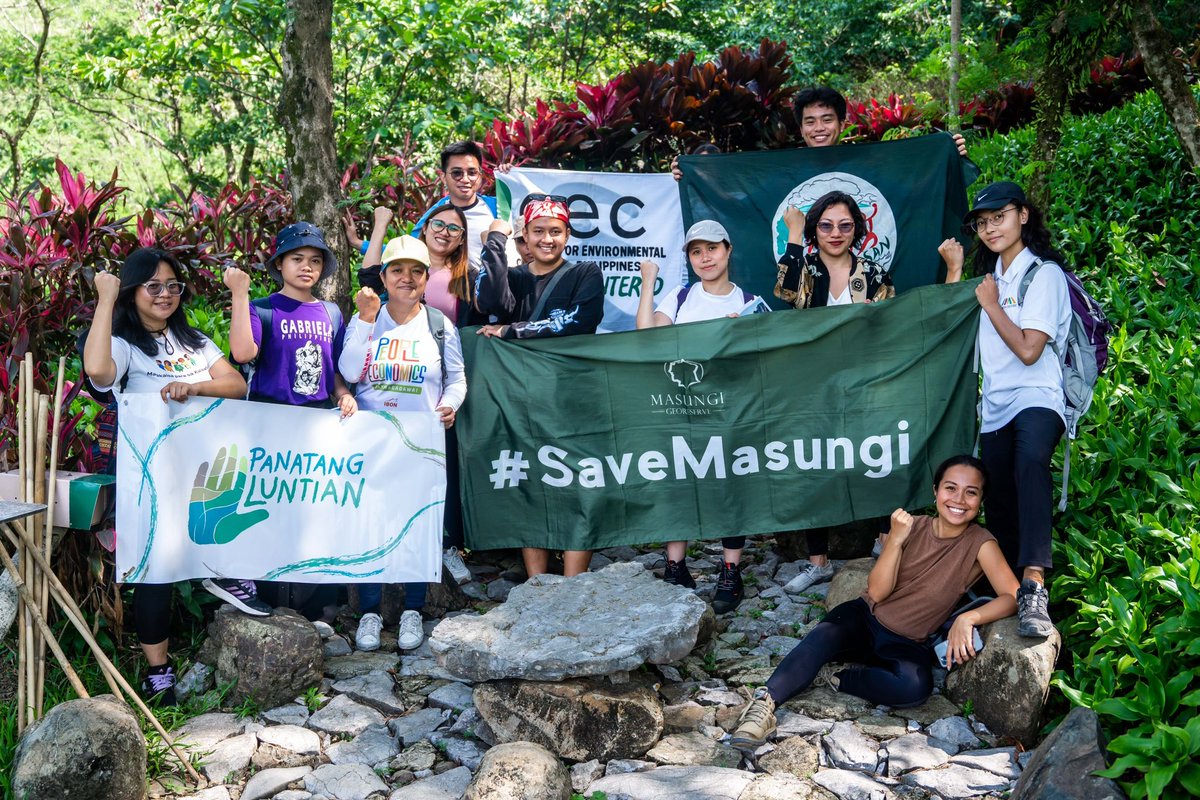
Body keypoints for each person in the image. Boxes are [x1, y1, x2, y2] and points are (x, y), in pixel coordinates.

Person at [731, 455, 1020, 748]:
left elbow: (1013, 596)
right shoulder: (911, 526)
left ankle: (835, 676)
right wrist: (894, 540)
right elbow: (878, 593)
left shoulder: (981, 543)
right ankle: (763, 705)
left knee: (914, 689)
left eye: (971, 492)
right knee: (822, 637)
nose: (959, 499)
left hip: (906, 642)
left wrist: (968, 618)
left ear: (981, 499)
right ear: (935, 491)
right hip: (864, 618)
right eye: (950, 488)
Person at [83, 247, 255, 704]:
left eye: (173, 286)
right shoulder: (122, 345)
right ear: (132, 290)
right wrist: (105, 300)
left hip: (202, 473)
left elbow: (235, 384)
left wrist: (195, 386)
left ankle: (225, 578)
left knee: (217, 533)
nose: (165, 294)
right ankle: (158, 670)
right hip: (151, 479)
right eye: (153, 286)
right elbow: (98, 371)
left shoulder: (193, 341)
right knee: (155, 568)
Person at [940, 181, 1070, 638]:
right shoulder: (987, 279)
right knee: (997, 493)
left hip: (1038, 397)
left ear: (1023, 216)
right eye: (983, 221)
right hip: (994, 407)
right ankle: (1009, 589)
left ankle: (1034, 584)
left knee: (1031, 462)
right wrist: (957, 271)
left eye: (1000, 217)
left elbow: (1030, 350)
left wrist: (993, 306)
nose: (991, 227)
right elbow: (951, 324)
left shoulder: (1045, 275)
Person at [338, 234, 467, 652]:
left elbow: (457, 378)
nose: (407, 279)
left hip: (421, 444)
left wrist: (449, 405)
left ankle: (413, 610)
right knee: (371, 524)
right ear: (383, 276)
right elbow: (350, 370)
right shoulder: (367, 316)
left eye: (416, 271)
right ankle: (370, 613)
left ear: (427, 278)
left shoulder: (438, 325)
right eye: (397, 270)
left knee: (420, 526)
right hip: (372, 442)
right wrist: (364, 320)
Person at [224, 222, 357, 620]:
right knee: (270, 508)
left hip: (316, 425)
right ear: (280, 263)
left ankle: (317, 604)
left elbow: (333, 367)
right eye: (297, 259)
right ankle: (268, 594)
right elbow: (243, 353)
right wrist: (240, 294)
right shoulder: (263, 308)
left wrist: (342, 393)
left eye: (315, 261)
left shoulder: (331, 313)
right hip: (269, 423)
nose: (306, 267)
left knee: (312, 510)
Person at [773, 191, 897, 594]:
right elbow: (786, 292)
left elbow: (889, 324)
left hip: (865, 383)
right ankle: (817, 562)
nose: (835, 233)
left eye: (845, 225)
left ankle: (883, 540)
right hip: (814, 384)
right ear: (815, 229)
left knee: (878, 457)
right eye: (825, 225)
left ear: (857, 229)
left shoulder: (873, 272)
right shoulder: (805, 266)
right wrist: (794, 235)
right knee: (816, 466)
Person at [635, 219, 762, 613]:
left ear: (727, 250)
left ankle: (730, 571)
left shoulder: (749, 302)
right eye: (696, 251)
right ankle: (675, 565)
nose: (705, 257)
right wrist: (647, 282)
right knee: (678, 482)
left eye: (712, 248)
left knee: (729, 484)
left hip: (729, 411)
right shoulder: (681, 295)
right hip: (681, 408)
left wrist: (740, 334)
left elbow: (764, 358)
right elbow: (646, 335)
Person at [475, 195, 604, 579]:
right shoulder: (514, 278)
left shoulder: (586, 273)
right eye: (538, 232)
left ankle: (574, 582)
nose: (547, 239)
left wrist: (513, 330)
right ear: (525, 237)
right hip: (521, 400)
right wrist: (495, 243)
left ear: (567, 234)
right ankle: (537, 585)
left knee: (578, 483)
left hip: (570, 397)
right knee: (530, 482)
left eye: (555, 231)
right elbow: (487, 300)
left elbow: (578, 320)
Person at [357, 203, 486, 584]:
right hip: (380, 408)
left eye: (455, 228)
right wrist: (380, 224)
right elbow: (367, 275)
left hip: (430, 392)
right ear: (424, 227)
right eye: (439, 224)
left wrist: (496, 239)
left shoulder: (463, 279)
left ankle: (445, 546)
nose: (445, 232)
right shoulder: (383, 290)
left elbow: (489, 308)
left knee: (439, 475)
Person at [343, 141, 515, 270]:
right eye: (456, 173)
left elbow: (532, 218)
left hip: (492, 301)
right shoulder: (435, 217)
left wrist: (514, 177)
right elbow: (406, 251)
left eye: (472, 172)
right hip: (450, 297)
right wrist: (359, 243)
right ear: (444, 176)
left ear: (480, 175)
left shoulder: (498, 207)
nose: (465, 179)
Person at [794, 86, 968, 156]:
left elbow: (918, 182)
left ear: (841, 125)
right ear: (801, 129)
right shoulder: (785, 173)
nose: (819, 128)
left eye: (826, 119)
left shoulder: (868, 164)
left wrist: (948, 156)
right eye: (810, 122)